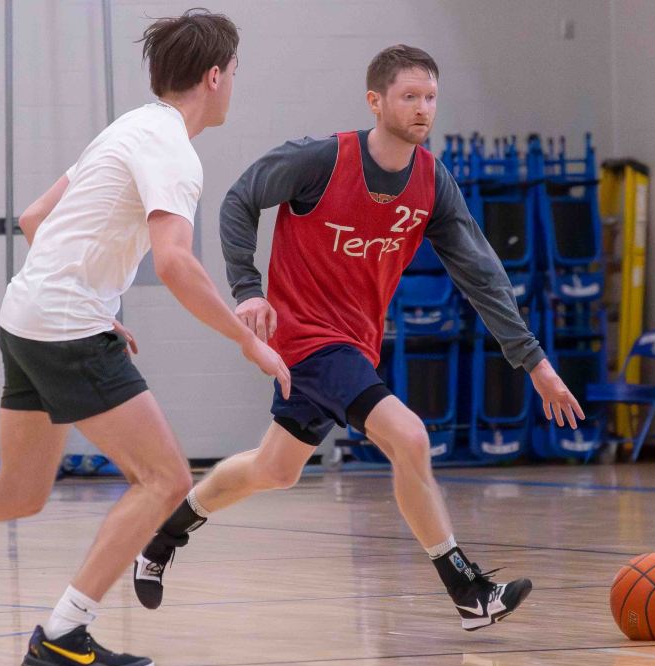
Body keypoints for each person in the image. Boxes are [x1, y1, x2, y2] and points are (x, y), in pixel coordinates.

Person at [0, 10, 289, 666]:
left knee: (18, 491)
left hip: (25, 315)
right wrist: (246, 342)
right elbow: (174, 262)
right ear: (213, 76)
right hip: (63, 325)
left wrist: (88, 297)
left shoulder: (128, 127)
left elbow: (36, 218)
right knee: (166, 479)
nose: (234, 83)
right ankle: (64, 633)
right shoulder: (173, 150)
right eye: (233, 72)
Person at [133, 44, 584, 632]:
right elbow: (240, 199)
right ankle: (468, 591)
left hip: (354, 346)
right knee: (410, 436)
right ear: (375, 101)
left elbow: (483, 273)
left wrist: (536, 363)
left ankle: (164, 537)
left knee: (275, 469)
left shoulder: (431, 182)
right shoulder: (320, 160)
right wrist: (248, 288)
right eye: (409, 96)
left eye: (430, 98)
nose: (423, 109)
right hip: (307, 339)